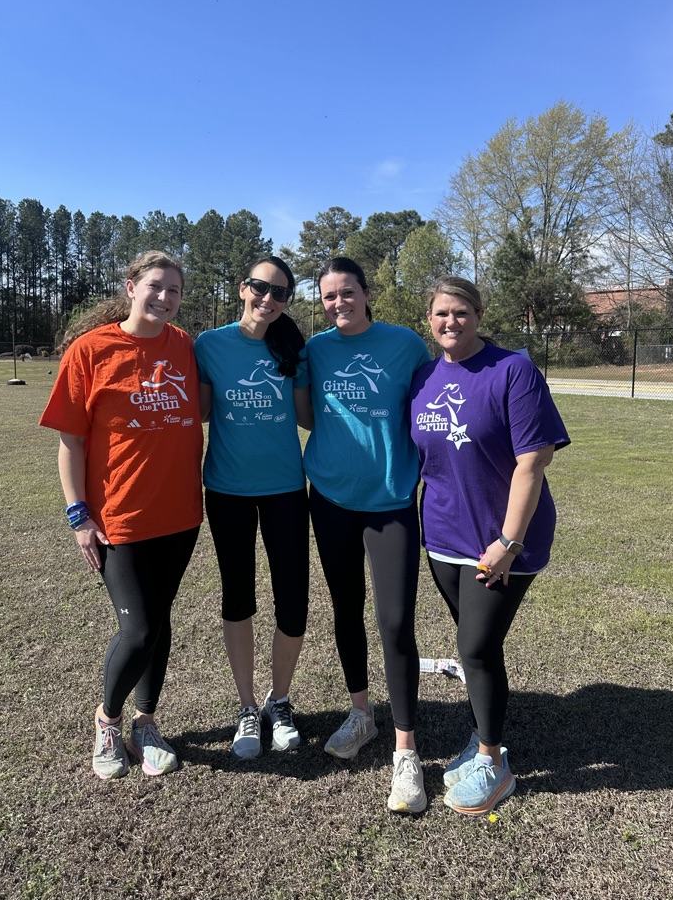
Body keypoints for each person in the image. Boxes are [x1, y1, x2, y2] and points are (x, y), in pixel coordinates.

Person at [39, 251, 203, 780]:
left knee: (161, 622)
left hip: (180, 515)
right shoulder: (91, 350)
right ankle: (108, 720)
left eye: (174, 290)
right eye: (155, 286)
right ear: (130, 287)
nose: (164, 297)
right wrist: (77, 516)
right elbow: (70, 441)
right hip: (118, 519)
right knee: (140, 627)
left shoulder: (183, 346)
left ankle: (145, 721)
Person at [410, 276, 570, 816]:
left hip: (502, 541)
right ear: (428, 320)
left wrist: (507, 540)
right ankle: (481, 735)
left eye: (460, 312)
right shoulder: (424, 377)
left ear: (478, 316)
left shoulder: (512, 370)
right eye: (440, 314)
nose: (449, 322)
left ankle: (492, 762)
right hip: (443, 536)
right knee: (476, 644)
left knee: (474, 647)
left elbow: (535, 460)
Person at [303, 257, 432, 814]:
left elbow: (424, 411)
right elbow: (310, 414)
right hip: (329, 497)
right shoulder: (316, 349)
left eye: (346, 293)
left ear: (366, 292)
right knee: (345, 609)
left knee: (396, 621)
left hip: (393, 501)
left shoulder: (405, 345)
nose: (338, 304)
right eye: (329, 296)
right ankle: (362, 714)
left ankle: (407, 752)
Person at [195, 256, 312, 760]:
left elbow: (310, 415)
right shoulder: (209, 344)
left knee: (293, 601)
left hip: (286, 488)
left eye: (280, 293)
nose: (268, 299)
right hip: (227, 490)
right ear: (243, 288)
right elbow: (196, 411)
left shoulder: (293, 347)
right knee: (238, 597)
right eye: (260, 288)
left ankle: (278, 701)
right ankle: (247, 707)